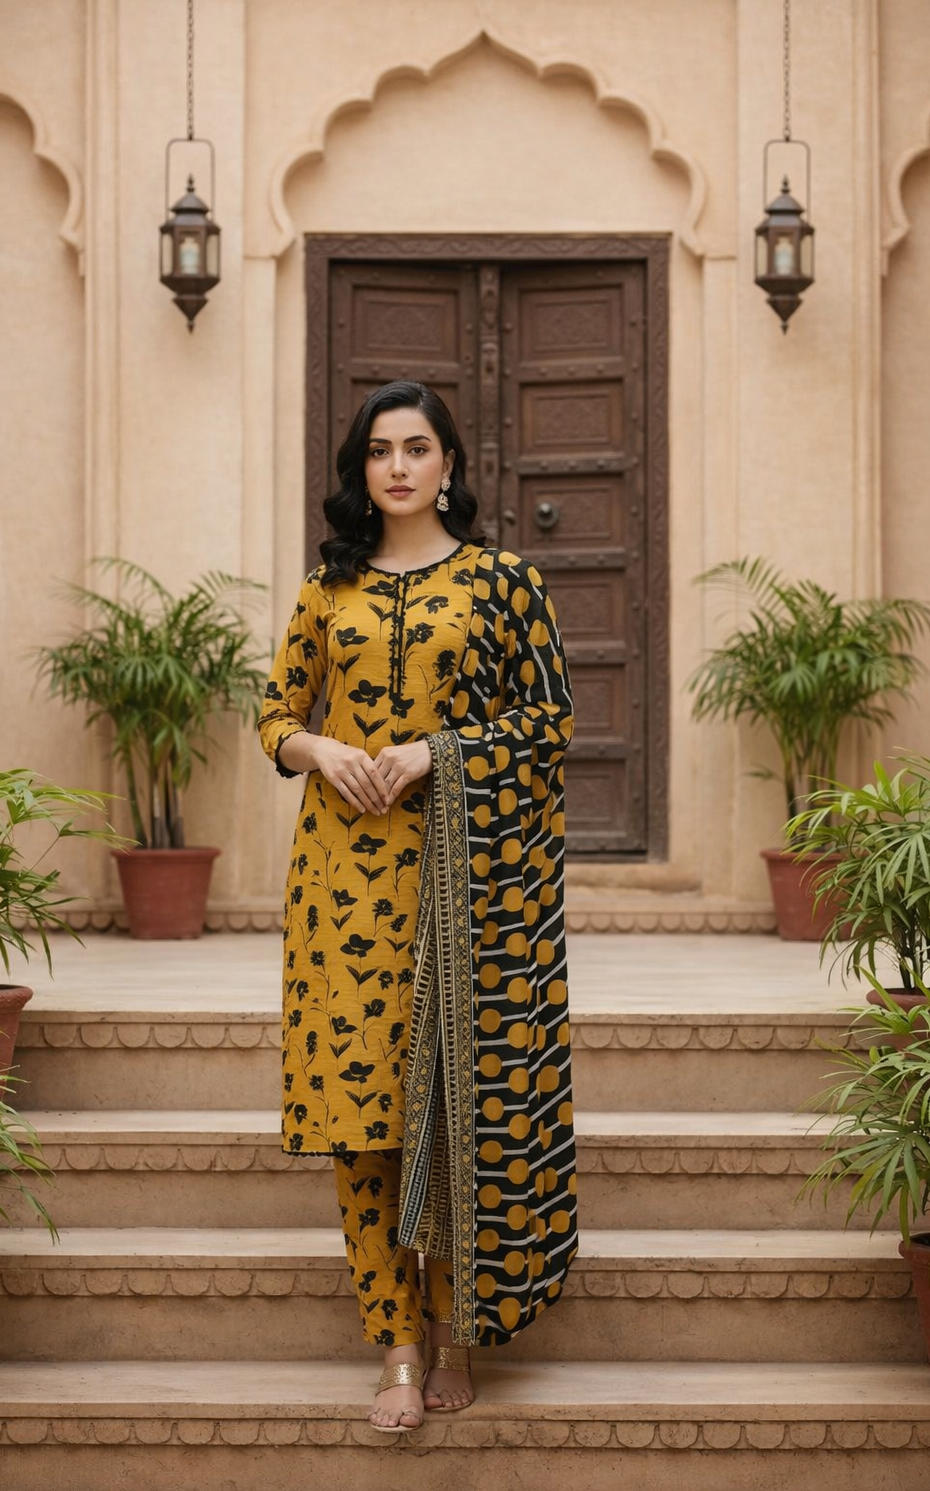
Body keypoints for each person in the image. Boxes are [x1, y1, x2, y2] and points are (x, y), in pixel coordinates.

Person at [257, 379, 578, 1434]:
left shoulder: (503, 584)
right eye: (379, 451)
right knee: (363, 1121)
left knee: (455, 1102)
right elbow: (274, 717)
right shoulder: (327, 591)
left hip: (465, 878)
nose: (397, 466)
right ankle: (395, 1344)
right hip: (341, 877)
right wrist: (319, 749)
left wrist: (436, 752)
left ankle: (454, 1331)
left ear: (448, 465)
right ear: (361, 471)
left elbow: (549, 721)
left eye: (417, 448)